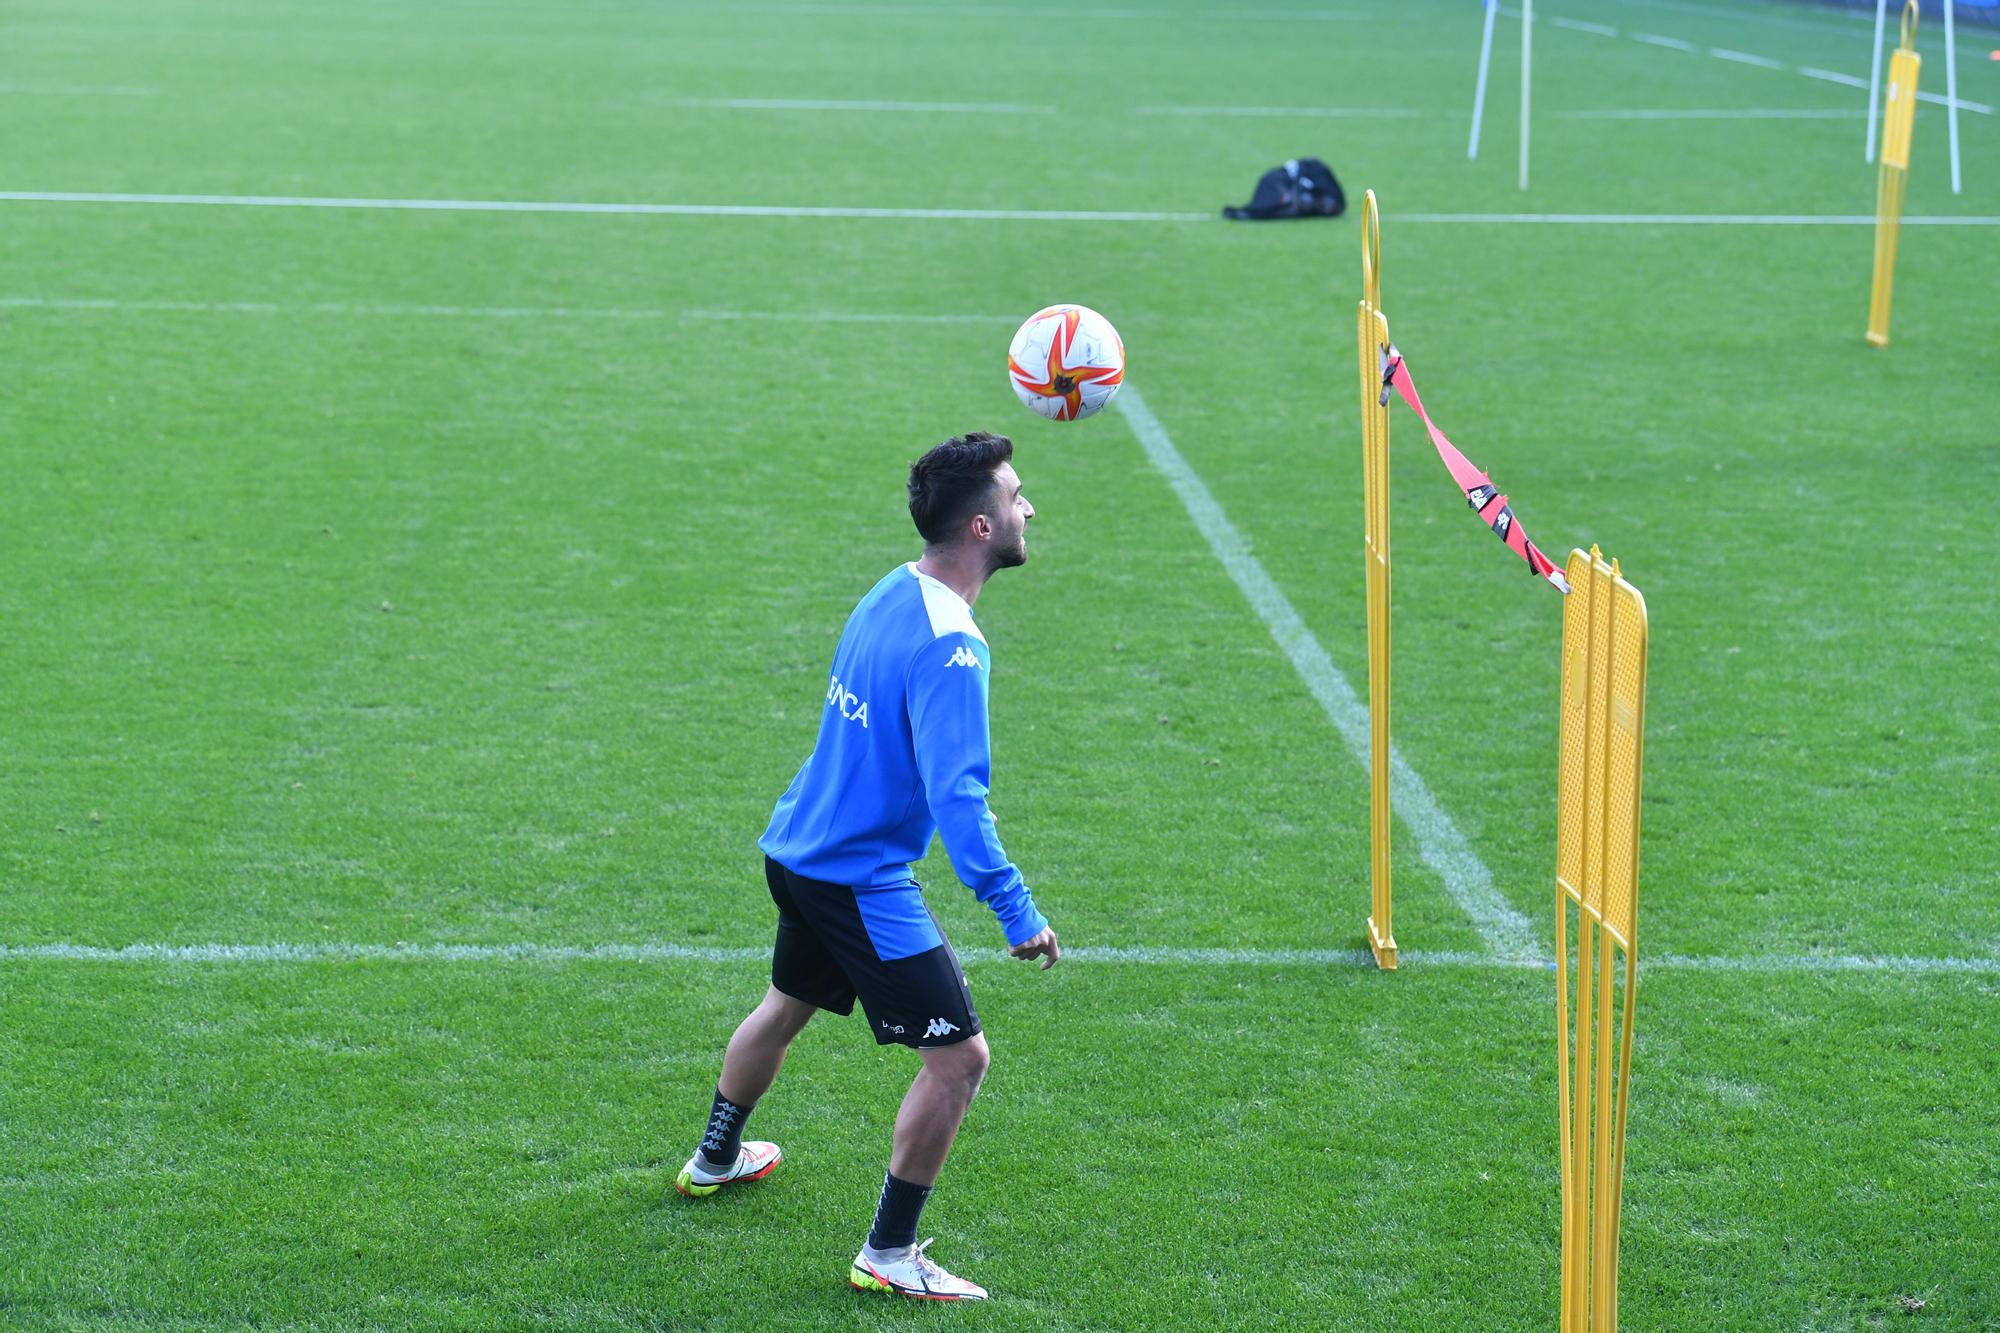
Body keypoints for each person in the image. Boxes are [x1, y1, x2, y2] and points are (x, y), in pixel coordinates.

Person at [675, 430, 1059, 1302]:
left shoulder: (893, 587)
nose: (1026, 508)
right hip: (857, 877)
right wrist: (1017, 909)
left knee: (786, 1003)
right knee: (961, 1062)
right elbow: (959, 802)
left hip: (799, 850)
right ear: (977, 526)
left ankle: (716, 1157)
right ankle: (888, 1253)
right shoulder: (954, 647)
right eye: (1014, 496)